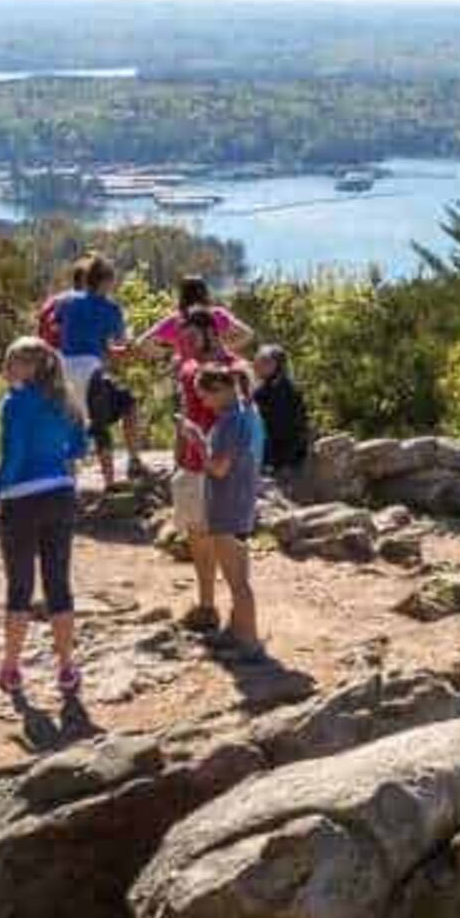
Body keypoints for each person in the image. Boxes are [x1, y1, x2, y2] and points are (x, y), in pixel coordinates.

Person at [145, 282, 255, 624]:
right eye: (184, 338)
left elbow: (242, 420)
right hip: (201, 464)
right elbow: (189, 410)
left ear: (209, 333)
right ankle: (213, 606)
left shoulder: (227, 370)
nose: (186, 344)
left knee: (222, 539)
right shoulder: (199, 368)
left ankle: (231, 614)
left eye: (191, 337)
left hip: (217, 465)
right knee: (203, 535)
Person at [0, 334, 88, 702]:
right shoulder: (65, 400)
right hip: (60, 494)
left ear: (29, 367)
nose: (6, 368)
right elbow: (79, 446)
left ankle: (12, 668)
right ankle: (66, 668)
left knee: (20, 587)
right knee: (58, 584)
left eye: (11, 361)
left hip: (21, 500)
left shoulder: (14, 403)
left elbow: (12, 453)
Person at [189, 359, 265, 659]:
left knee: (237, 582)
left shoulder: (232, 420)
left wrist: (197, 441)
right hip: (238, 504)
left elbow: (219, 468)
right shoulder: (245, 414)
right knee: (238, 578)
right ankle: (237, 630)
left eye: (204, 396)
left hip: (229, 507)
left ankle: (249, 643)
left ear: (220, 388)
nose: (204, 403)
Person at [38, 253, 135, 487]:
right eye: (111, 281)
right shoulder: (111, 308)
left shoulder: (65, 301)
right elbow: (121, 343)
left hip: (64, 367)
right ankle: (110, 482)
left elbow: (56, 327)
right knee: (100, 425)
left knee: (70, 424)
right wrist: (131, 346)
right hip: (91, 369)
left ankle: (68, 484)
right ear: (105, 281)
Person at [251, 342, 312, 478]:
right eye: (256, 360)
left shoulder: (287, 391)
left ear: (275, 364)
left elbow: (290, 430)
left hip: (284, 463)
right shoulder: (263, 390)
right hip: (269, 460)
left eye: (263, 361)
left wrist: (283, 464)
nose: (256, 365)